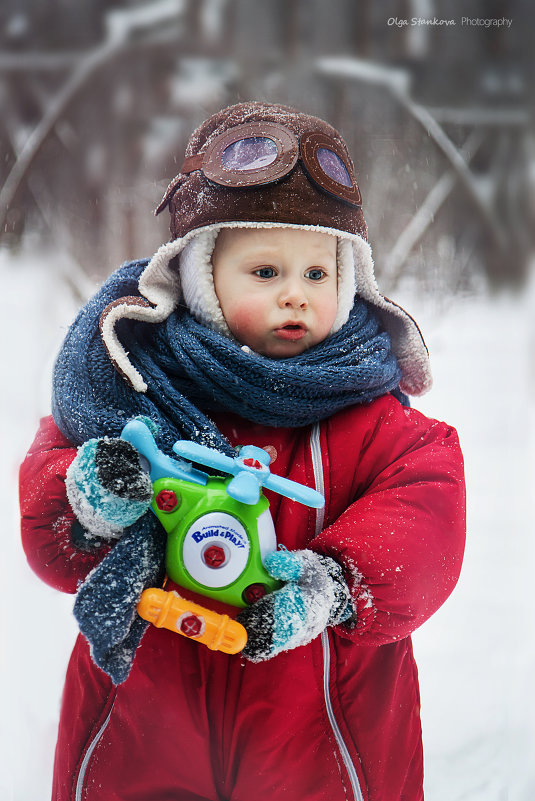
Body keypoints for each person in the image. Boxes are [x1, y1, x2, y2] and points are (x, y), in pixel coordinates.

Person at [20, 101, 466, 801]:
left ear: (348, 284)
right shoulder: (130, 392)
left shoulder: (372, 422)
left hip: (320, 749)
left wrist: (332, 583)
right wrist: (89, 494)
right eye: (264, 272)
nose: (295, 295)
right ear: (200, 280)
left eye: (317, 275)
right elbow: (50, 532)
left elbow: (425, 511)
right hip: (144, 737)